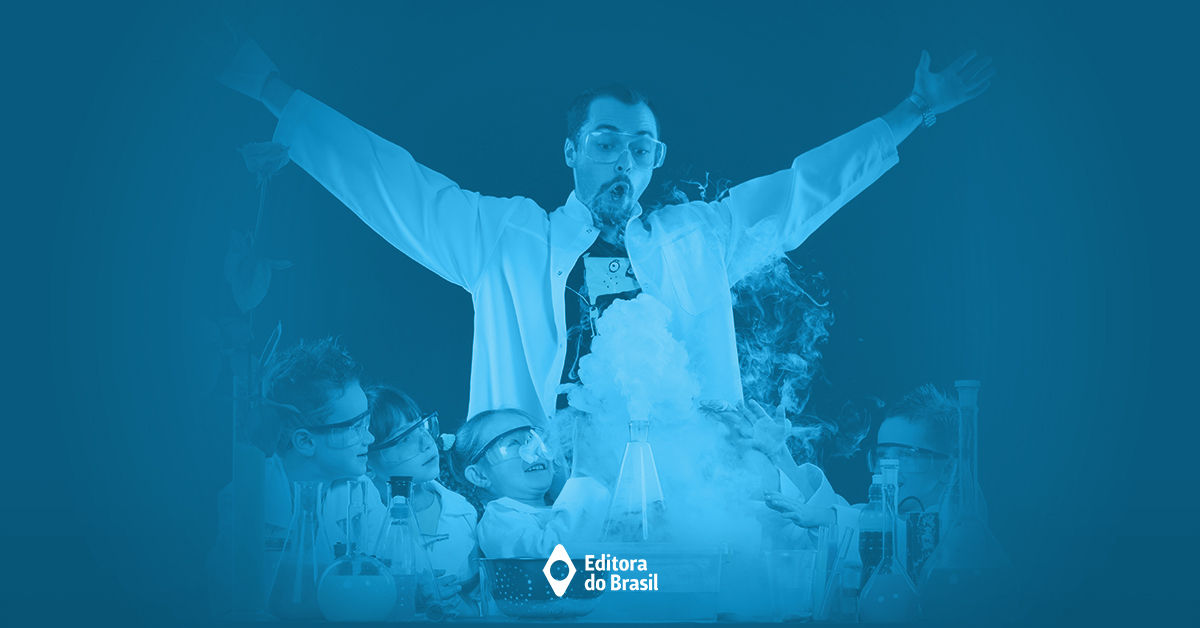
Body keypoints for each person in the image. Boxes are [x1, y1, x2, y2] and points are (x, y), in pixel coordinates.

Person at [203, 31, 994, 423]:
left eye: (641, 147)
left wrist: (913, 111)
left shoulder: (696, 241)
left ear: (656, 160)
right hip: (539, 505)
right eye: (606, 142)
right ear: (572, 152)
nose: (624, 160)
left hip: (680, 499)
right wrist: (273, 92)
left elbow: (803, 191)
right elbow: (392, 183)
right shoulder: (504, 240)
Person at [206, 337, 386, 615]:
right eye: (355, 427)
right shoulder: (248, 496)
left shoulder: (361, 490)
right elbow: (230, 595)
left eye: (367, 421)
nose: (370, 438)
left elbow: (383, 577)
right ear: (305, 441)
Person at [763, 383, 962, 572]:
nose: (886, 466)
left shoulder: (957, 527)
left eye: (905, 454)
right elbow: (833, 515)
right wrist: (779, 454)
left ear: (948, 469)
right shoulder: (870, 516)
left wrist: (817, 516)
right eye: (881, 454)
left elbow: (903, 540)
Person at [363, 384, 480, 616]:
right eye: (404, 438)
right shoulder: (358, 519)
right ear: (367, 461)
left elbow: (482, 604)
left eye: (421, 426)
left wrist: (457, 603)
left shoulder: (464, 512)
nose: (427, 443)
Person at [450, 408, 610, 558]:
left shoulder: (562, 507)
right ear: (479, 476)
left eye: (534, 439)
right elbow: (553, 557)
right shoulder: (497, 521)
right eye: (512, 443)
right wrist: (582, 474)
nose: (532, 450)